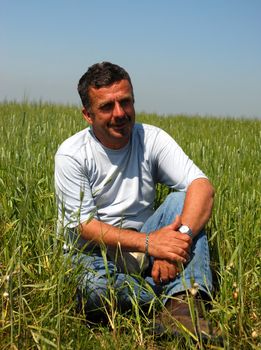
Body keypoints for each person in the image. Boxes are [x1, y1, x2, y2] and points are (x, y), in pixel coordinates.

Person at [54, 62, 215, 339]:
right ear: (87, 115)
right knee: (95, 290)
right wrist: (154, 244)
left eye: (125, 102)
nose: (120, 113)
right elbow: (84, 226)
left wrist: (178, 243)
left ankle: (179, 307)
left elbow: (202, 186)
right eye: (107, 106)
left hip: (147, 245)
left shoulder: (151, 138)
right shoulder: (72, 154)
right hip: (92, 253)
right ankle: (175, 297)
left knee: (183, 199)